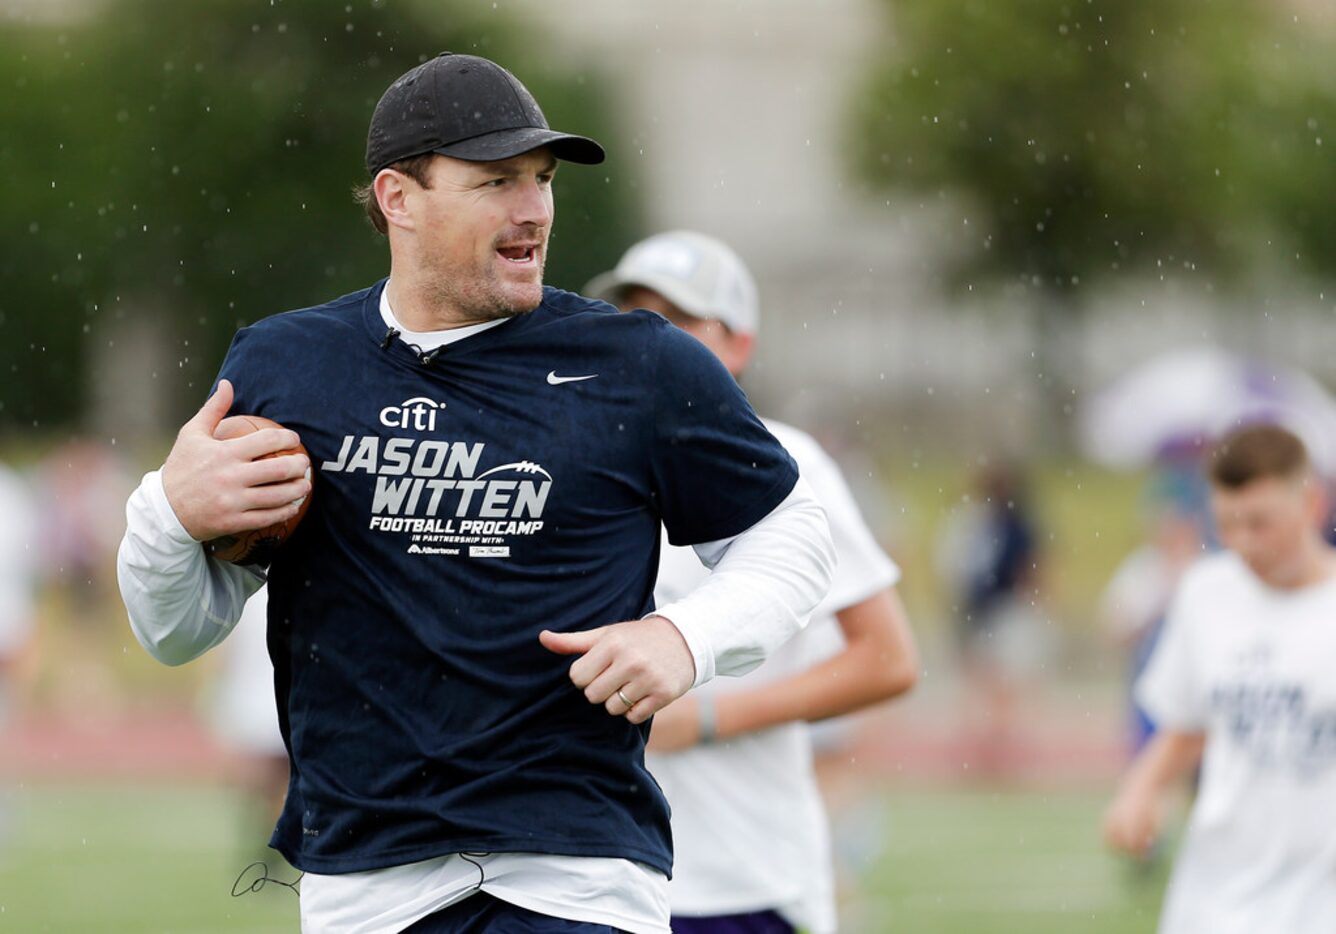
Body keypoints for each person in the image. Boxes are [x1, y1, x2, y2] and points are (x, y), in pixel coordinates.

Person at [116, 54, 834, 934]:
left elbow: (796, 535)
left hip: (576, 874)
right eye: (496, 181)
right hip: (363, 883)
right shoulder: (284, 366)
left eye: (540, 180)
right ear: (397, 198)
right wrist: (169, 512)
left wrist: (685, 637)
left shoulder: (639, 363)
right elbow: (174, 630)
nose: (533, 208)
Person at [587, 231, 919, 933]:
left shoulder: (788, 464)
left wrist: (705, 719)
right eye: (631, 319)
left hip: (741, 877)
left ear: (739, 345)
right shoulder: (576, 466)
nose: (650, 342)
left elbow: (888, 660)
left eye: (676, 322)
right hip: (590, 879)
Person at [1103, 423, 1336, 932]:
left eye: (1260, 523)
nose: (1243, 543)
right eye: (1227, 524)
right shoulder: (1205, 594)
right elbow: (1186, 726)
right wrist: (1141, 790)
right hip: (1213, 898)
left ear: (1312, 504)